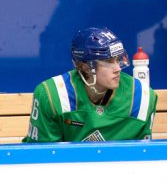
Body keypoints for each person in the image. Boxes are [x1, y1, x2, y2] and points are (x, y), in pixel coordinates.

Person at [24, 27, 157, 142]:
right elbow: (44, 156)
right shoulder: (52, 95)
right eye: (109, 61)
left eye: (118, 60)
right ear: (85, 66)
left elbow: (144, 156)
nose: (118, 68)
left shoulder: (142, 98)